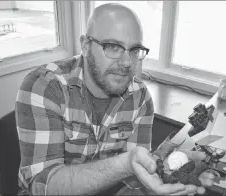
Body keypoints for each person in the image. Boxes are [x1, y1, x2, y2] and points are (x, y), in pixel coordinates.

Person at [15, 3, 214, 195]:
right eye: (113, 47)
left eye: (134, 50)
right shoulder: (45, 87)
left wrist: (162, 166)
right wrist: (126, 164)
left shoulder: (140, 98)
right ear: (85, 46)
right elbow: (42, 186)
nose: (127, 63)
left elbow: (132, 178)